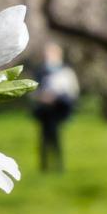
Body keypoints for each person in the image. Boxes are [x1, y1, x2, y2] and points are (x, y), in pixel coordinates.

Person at [31, 42, 80, 172]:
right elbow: (34, 89)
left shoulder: (65, 71)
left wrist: (57, 97)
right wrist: (41, 97)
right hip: (44, 110)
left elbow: (72, 90)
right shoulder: (40, 71)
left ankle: (58, 165)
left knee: (56, 136)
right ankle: (44, 166)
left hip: (58, 108)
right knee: (44, 138)